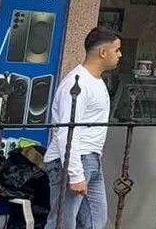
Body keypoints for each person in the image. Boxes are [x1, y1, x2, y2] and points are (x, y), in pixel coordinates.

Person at [43, 27, 122, 229]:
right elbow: (66, 131)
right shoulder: (77, 83)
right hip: (75, 159)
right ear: (103, 53)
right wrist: (75, 174)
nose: (119, 55)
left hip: (92, 158)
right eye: (117, 50)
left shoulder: (96, 81)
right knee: (63, 221)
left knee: (97, 219)